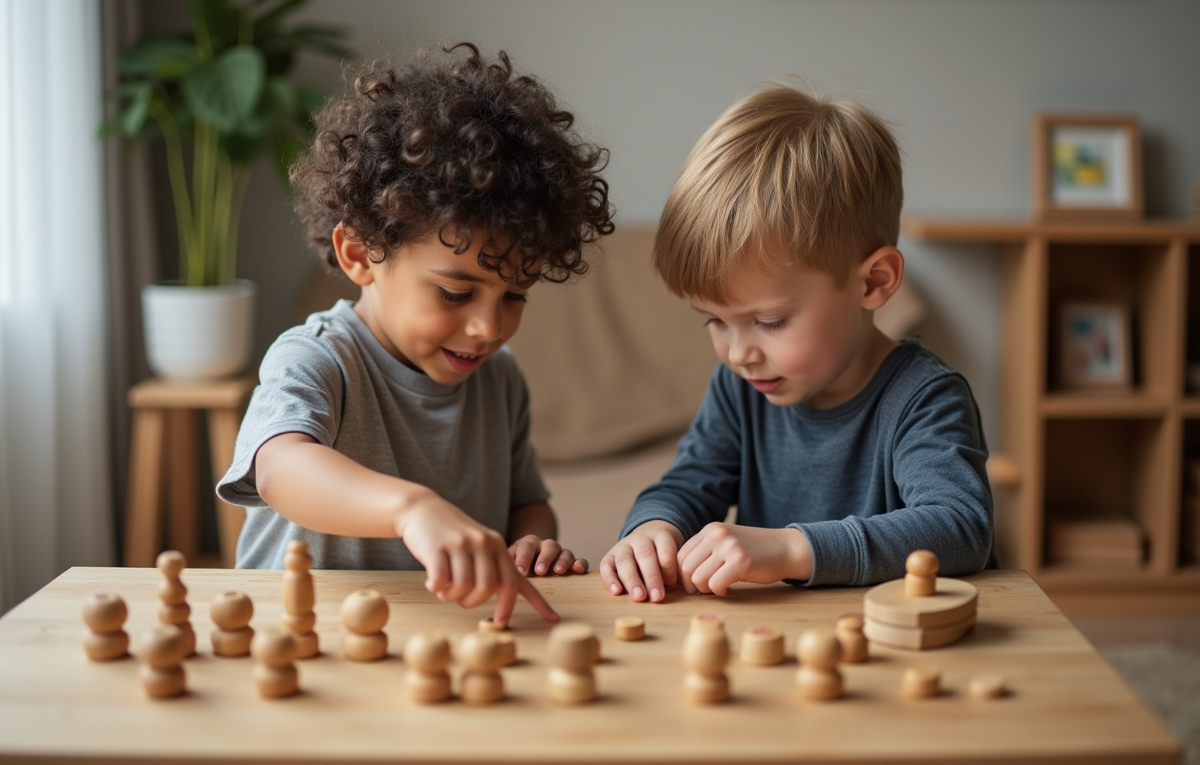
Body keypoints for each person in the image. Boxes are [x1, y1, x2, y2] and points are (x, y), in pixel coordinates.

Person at [218, 43, 615, 626]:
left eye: (514, 296)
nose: (488, 328)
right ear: (360, 253)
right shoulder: (316, 358)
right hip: (304, 638)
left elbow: (527, 504)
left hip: (437, 639)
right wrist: (410, 508)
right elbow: (279, 469)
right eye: (455, 293)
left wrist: (533, 544)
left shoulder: (499, 380)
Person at [600, 83, 994, 602]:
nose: (738, 354)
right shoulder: (740, 386)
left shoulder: (925, 396)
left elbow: (960, 528)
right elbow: (691, 482)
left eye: (769, 321)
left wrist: (791, 549)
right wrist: (653, 527)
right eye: (714, 322)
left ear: (873, 283)